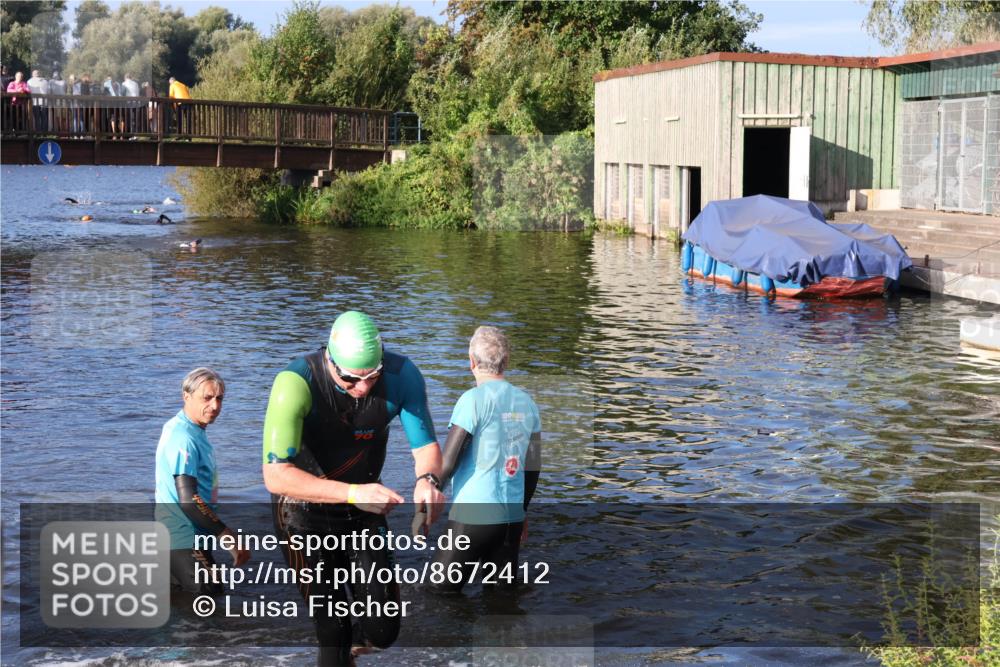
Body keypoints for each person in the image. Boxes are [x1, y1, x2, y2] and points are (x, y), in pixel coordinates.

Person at [262, 310, 445, 666]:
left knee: (383, 630)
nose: (362, 388)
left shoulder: (402, 376)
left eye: (372, 376)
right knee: (333, 630)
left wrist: (428, 481)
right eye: (350, 378)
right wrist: (353, 492)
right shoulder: (296, 381)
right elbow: (276, 475)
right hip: (300, 514)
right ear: (330, 360)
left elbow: (426, 450)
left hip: (363, 511)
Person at [429, 326, 541, 593]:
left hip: (472, 517)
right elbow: (533, 467)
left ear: (471, 362)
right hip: (511, 518)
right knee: (501, 599)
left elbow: (449, 461)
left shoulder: (472, 401)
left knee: (438, 593)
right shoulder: (527, 403)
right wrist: (522, 510)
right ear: (506, 361)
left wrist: (429, 500)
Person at [155, 368, 250, 597]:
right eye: (207, 398)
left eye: (219, 398)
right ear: (186, 396)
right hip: (185, 538)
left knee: (183, 615)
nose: (215, 406)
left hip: (177, 539)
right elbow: (189, 500)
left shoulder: (186, 428)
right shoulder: (183, 439)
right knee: (211, 608)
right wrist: (229, 538)